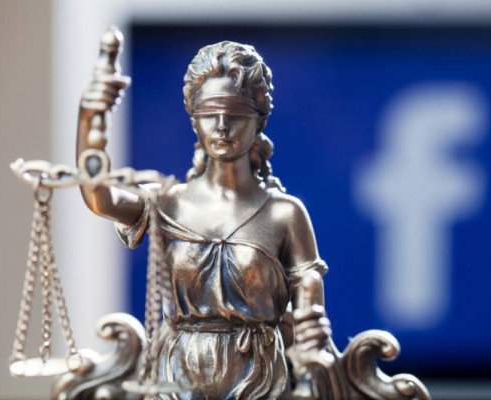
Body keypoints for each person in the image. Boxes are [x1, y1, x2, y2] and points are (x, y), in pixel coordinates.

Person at [77, 40, 331, 400]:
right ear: (193, 119)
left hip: (256, 377)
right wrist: (90, 121)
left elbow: (309, 304)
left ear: (259, 120)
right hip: (178, 372)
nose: (222, 126)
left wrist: (308, 363)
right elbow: (99, 199)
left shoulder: (284, 213)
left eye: (236, 114)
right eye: (210, 113)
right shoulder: (166, 202)